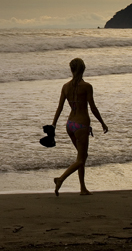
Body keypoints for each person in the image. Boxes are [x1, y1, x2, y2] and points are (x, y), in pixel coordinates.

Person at [51, 58, 108, 196]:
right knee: (81, 159)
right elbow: (93, 107)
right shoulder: (87, 86)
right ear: (83, 69)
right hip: (81, 125)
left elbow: (59, 107)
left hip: (70, 125)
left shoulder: (65, 86)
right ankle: (60, 179)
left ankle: (83, 188)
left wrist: (54, 124)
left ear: (71, 69)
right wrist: (102, 122)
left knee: (81, 157)